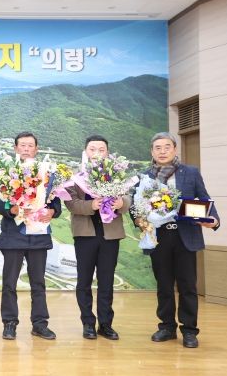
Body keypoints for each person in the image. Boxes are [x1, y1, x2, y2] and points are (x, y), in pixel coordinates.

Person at [137, 132, 220, 348]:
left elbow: (204, 198)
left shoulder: (190, 172)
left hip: (185, 236)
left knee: (187, 286)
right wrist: (139, 220)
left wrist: (214, 220)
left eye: (167, 147)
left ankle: (190, 331)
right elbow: (137, 208)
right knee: (164, 285)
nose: (162, 151)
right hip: (159, 237)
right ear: (152, 152)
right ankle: (166, 327)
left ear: (175, 149)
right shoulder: (144, 176)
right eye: (157, 148)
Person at [0, 132, 62, 341]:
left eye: (30, 145)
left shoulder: (47, 173)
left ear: (36, 149)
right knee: (9, 283)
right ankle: (9, 323)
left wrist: (53, 211)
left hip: (38, 234)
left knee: (38, 283)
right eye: (22, 145)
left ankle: (40, 324)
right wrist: (10, 209)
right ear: (15, 149)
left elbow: (55, 201)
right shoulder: (5, 172)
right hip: (14, 235)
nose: (26, 149)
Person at [64, 135, 130, 341]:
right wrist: (90, 205)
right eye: (93, 149)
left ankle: (106, 324)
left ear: (107, 153)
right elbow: (71, 203)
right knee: (84, 281)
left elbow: (128, 197)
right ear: (86, 152)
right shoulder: (75, 177)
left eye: (101, 150)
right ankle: (88, 323)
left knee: (106, 281)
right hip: (85, 234)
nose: (97, 153)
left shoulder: (116, 174)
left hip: (110, 234)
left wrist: (122, 203)